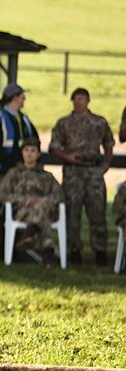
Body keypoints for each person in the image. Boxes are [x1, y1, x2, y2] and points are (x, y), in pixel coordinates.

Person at [49, 88, 115, 266]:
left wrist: (106, 162)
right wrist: (67, 157)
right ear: (72, 101)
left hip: (93, 171)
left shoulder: (99, 122)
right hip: (73, 172)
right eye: (76, 99)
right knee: (72, 212)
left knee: (97, 212)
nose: (79, 102)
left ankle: (100, 251)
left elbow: (109, 143)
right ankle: (74, 250)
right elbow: (54, 147)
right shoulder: (64, 123)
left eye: (82, 99)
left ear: (88, 100)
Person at [0, 82, 37, 258]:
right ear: (14, 98)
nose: (24, 99)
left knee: (21, 212)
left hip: (21, 175)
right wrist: (12, 165)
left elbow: (34, 142)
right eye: (22, 96)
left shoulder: (24, 120)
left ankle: (15, 254)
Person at [0, 138, 63, 267]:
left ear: (38, 154)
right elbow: (3, 194)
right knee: (43, 217)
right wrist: (24, 200)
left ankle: (30, 233)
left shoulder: (46, 176)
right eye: (26, 150)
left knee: (41, 208)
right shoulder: (14, 174)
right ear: (22, 153)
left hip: (45, 209)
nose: (29, 154)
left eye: (33, 151)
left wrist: (42, 201)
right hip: (23, 211)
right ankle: (48, 254)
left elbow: (59, 195)